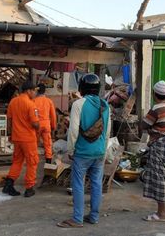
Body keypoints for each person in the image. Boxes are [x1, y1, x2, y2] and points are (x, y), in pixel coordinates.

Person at [57, 73, 110, 228]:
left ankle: (78, 218)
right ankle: (93, 216)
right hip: (99, 152)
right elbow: (107, 131)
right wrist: (104, 150)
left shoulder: (79, 104)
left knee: (78, 184)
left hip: (83, 152)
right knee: (96, 184)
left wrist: (71, 149)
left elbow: (73, 130)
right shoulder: (105, 105)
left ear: (82, 87)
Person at [140, 80, 165, 222]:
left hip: (161, 146)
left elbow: (143, 125)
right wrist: (154, 130)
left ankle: (161, 214)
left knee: (158, 178)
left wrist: (152, 130)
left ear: (154, 94)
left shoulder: (156, 109)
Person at [2, 81, 40, 197]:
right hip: (28, 138)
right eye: (34, 91)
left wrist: (10, 134)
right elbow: (35, 124)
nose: (35, 93)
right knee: (32, 162)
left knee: (17, 161)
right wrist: (39, 126)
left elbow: (9, 120)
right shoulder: (30, 104)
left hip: (16, 137)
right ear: (29, 91)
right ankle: (29, 188)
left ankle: (9, 184)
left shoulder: (13, 101)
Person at [33, 83, 57, 164]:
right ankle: (48, 161)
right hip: (46, 125)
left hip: (37, 125)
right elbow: (53, 115)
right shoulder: (49, 101)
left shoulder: (34, 101)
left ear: (37, 91)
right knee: (48, 144)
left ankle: (33, 161)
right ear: (45, 91)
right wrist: (53, 126)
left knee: (34, 144)